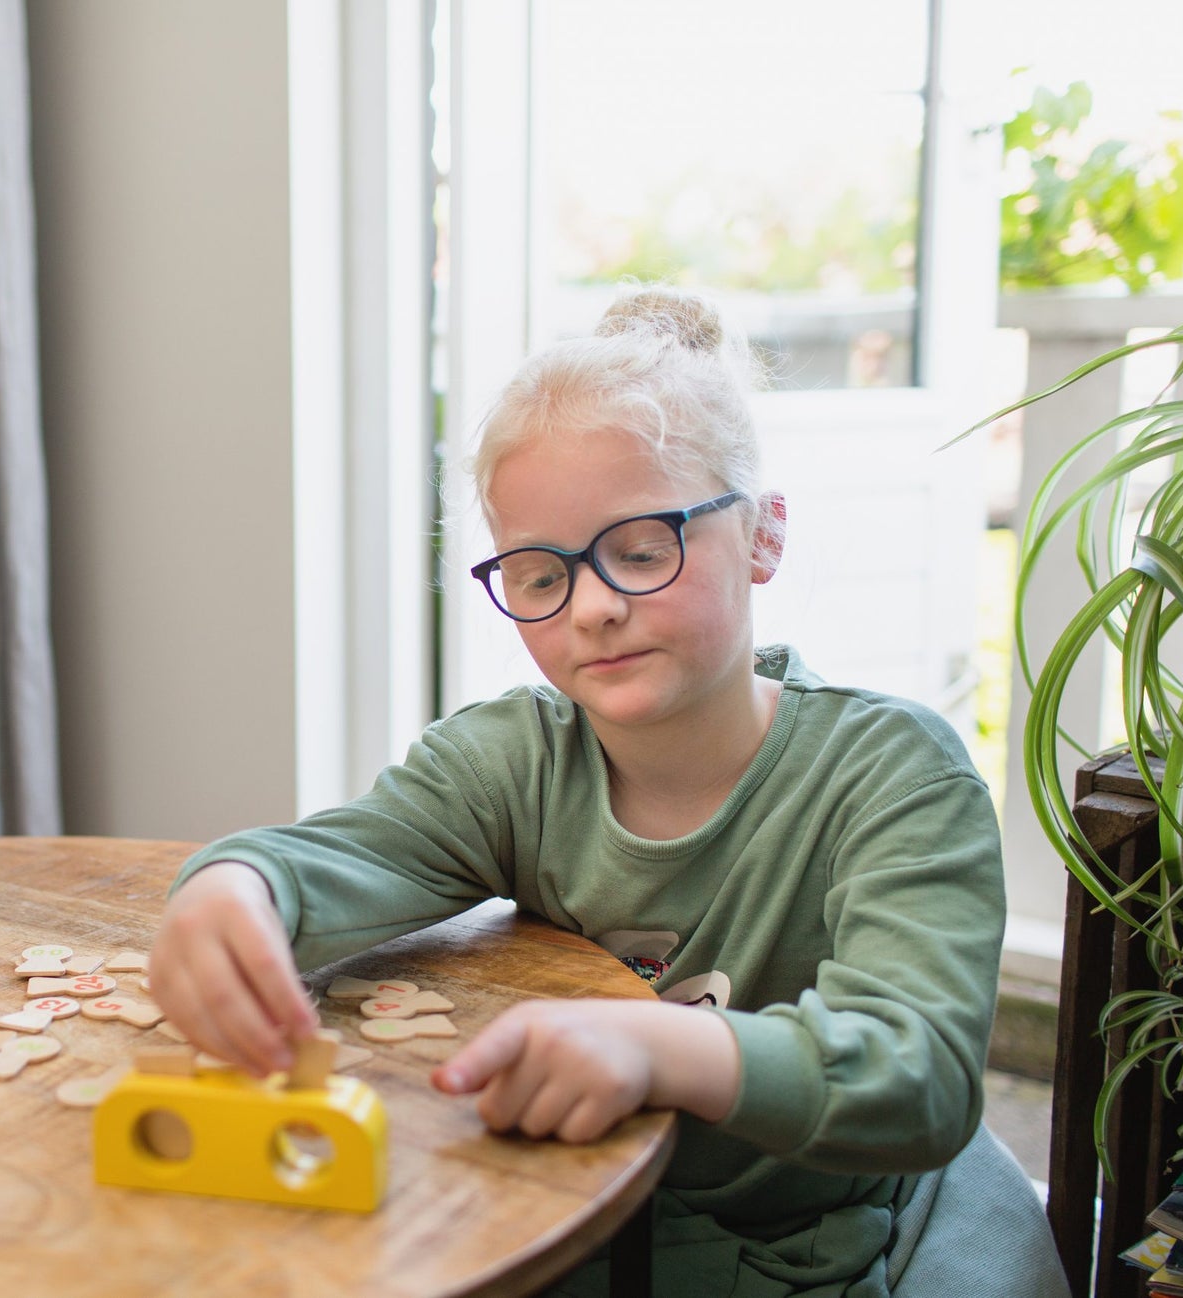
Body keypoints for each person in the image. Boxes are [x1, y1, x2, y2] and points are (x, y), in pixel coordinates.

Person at [145, 286, 1063, 1297]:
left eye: (639, 550)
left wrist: (653, 1041)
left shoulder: (892, 772)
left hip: (823, 1240)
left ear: (760, 535)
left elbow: (915, 1075)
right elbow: (340, 853)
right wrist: (231, 886)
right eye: (540, 577)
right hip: (576, 1224)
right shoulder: (506, 760)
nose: (590, 609)